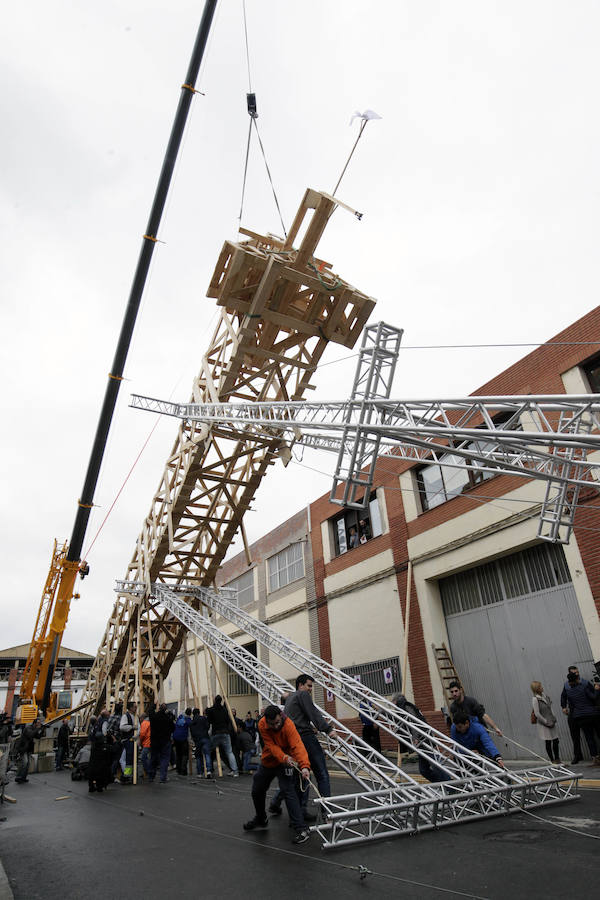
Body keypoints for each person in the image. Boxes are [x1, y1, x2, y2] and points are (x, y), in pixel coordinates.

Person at [243, 704, 311, 844]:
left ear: (281, 716)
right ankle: (261, 819)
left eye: (277, 723)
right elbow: (271, 746)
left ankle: (301, 828)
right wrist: (284, 757)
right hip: (270, 760)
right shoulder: (262, 724)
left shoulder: (289, 725)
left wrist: (304, 766)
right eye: (272, 724)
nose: (275, 726)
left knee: (288, 790)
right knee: (257, 788)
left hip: (287, 761)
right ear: (266, 721)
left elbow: (297, 745)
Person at [273, 675, 333, 821]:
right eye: (309, 685)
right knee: (322, 774)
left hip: (293, 742)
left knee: (301, 777)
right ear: (300, 685)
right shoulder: (302, 694)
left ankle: (299, 812)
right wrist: (327, 729)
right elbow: (313, 713)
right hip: (306, 739)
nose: (310, 689)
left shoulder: (290, 699)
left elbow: (297, 718)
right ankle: (327, 812)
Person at [394, 693, 452, 783]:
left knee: (435, 764)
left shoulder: (406, 706)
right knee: (423, 770)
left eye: (393, 702)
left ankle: (449, 785)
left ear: (396, 701)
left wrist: (415, 737)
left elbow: (414, 721)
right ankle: (442, 783)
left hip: (424, 740)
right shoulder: (404, 708)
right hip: (421, 742)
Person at [560, 669, 600, 766]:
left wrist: (564, 707)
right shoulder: (584, 687)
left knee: (589, 737)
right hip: (592, 714)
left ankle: (595, 758)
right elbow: (593, 697)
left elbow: (567, 700)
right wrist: (597, 689)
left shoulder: (569, 690)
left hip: (580, 717)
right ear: (577, 679)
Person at [207, 695, 239, 776]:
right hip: (225, 733)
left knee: (209, 750)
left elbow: (209, 720)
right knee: (229, 752)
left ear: (214, 700)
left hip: (216, 733)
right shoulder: (224, 710)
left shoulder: (211, 710)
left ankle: (209, 770)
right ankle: (235, 771)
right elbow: (227, 720)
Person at [530, 681, 560, 763]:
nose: (542, 687)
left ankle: (558, 759)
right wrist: (546, 722)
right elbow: (537, 713)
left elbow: (550, 708)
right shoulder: (535, 699)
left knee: (556, 740)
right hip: (544, 724)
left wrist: (554, 717)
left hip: (551, 721)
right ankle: (552, 760)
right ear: (536, 689)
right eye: (540, 687)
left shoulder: (546, 696)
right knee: (548, 741)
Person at [148, 702, 175, 783]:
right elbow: (173, 728)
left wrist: (153, 704)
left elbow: (150, 712)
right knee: (165, 759)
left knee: (153, 758)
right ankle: (163, 777)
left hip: (155, 741)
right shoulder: (167, 718)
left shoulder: (154, 717)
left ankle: (151, 776)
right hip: (165, 740)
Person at [14, 719, 44, 783]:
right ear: (34, 723)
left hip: (28, 748)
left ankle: (23, 778)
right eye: (38, 723)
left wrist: (43, 729)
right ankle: (18, 777)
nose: (39, 724)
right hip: (23, 748)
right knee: (25, 763)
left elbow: (38, 737)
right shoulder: (28, 728)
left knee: (28, 764)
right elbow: (31, 735)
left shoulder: (34, 729)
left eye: (40, 723)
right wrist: (38, 729)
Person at [190, 708, 213, 777]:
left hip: (197, 740)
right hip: (205, 737)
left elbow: (192, 733)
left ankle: (199, 773)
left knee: (198, 756)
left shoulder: (192, 722)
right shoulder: (203, 718)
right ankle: (209, 771)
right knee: (207, 754)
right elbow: (207, 726)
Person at [118, 700, 137, 783]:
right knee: (127, 759)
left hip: (132, 740)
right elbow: (122, 727)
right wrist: (132, 727)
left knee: (127, 759)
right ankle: (128, 775)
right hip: (128, 740)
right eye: (135, 707)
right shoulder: (126, 716)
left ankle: (128, 775)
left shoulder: (134, 716)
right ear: (130, 708)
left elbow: (138, 727)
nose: (136, 708)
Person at [173, 707, 192, 776]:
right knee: (185, 754)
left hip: (176, 737)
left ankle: (178, 769)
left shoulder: (180, 717)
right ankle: (183, 771)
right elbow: (192, 726)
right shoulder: (188, 719)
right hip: (183, 738)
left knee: (178, 754)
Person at [139, 713, 151, 779]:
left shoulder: (145, 723)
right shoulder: (149, 722)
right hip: (149, 742)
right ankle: (147, 772)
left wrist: (140, 742)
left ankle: (148, 771)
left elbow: (142, 734)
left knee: (144, 758)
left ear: (142, 718)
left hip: (147, 743)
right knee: (148, 758)